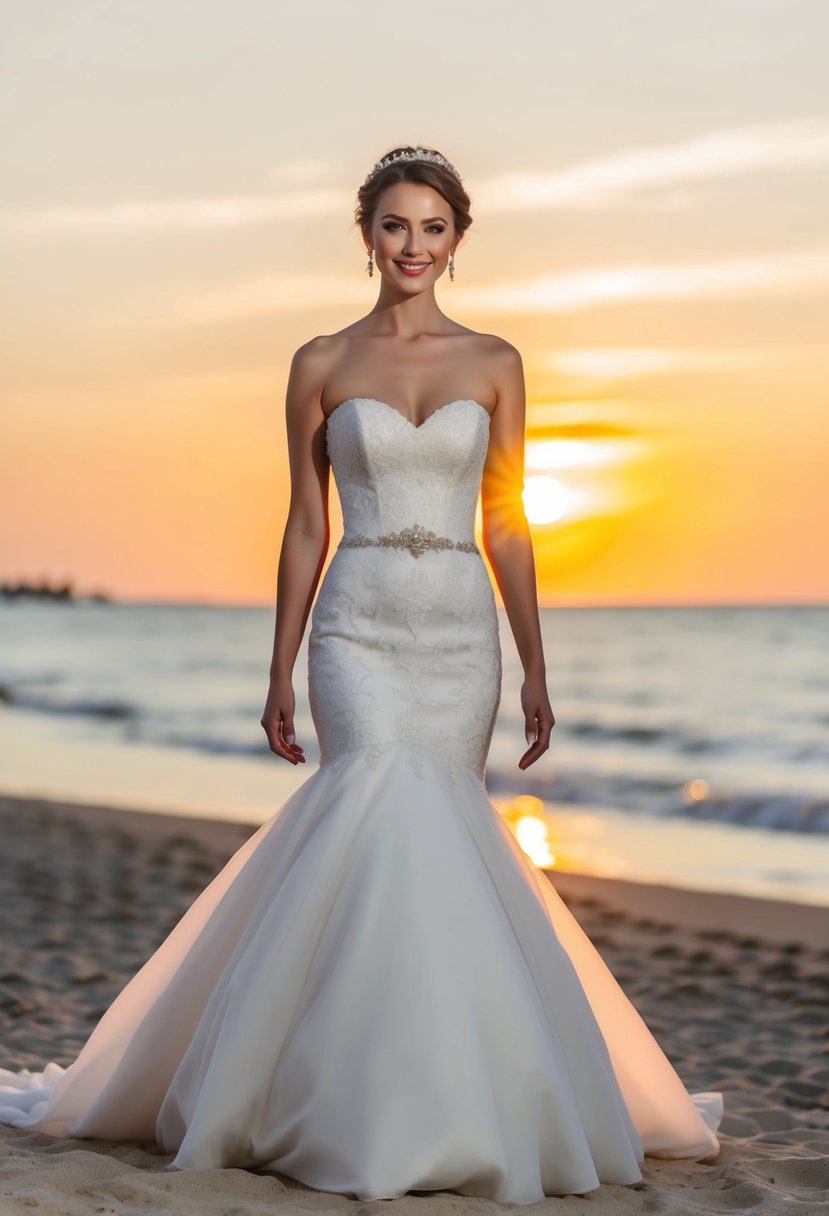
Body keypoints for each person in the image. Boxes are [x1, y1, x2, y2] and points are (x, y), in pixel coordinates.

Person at [0, 144, 723, 1204]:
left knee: (444, 832)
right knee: (368, 815)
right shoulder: (319, 363)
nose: (414, 246)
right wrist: (279, 665)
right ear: (366, 236)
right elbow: (304, 525)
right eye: (395, 226)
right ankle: (330, 1093)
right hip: (359, 622)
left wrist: (534, 664)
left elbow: (510, 522)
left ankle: (448, 1086)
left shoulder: (497, 362)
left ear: (457, 240)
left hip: (459, 630)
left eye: (433, 227)